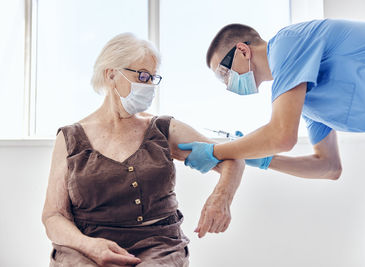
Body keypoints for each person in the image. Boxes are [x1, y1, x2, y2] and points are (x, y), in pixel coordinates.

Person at [178, 19, 365, 266]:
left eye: (224, 73)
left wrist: (215, 151)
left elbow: (281, 135)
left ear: (242, 50)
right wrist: (264, 160)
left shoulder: (288, 41)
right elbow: (328, 166)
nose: (227, 84)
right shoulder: (307, 102)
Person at [41, 32, 244, 267]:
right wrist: (89, 245)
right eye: (143, 76)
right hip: (85, 244)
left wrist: (221, 197)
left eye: (153, 78)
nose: (149, 86)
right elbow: (53, 216)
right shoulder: (70, 138)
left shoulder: (163, 129)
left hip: (158, 245)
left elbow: (232, 156)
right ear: (112, 74)